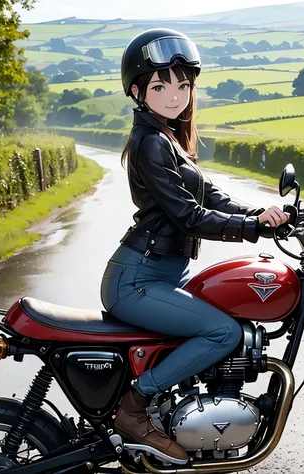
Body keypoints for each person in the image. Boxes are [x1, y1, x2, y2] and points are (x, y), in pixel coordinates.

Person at [100, 28, 289, 461]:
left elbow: (211, 197)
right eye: (161, 85)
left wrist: (264, 214)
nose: (175, 95)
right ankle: (135, 406)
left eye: (183, 84)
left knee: (225, 316)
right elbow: (188, 216)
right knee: (222, 331)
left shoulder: (169, 139)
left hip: (161, 272)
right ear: (137, 90)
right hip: (137, 279)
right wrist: (251, 228)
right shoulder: (151, 144)